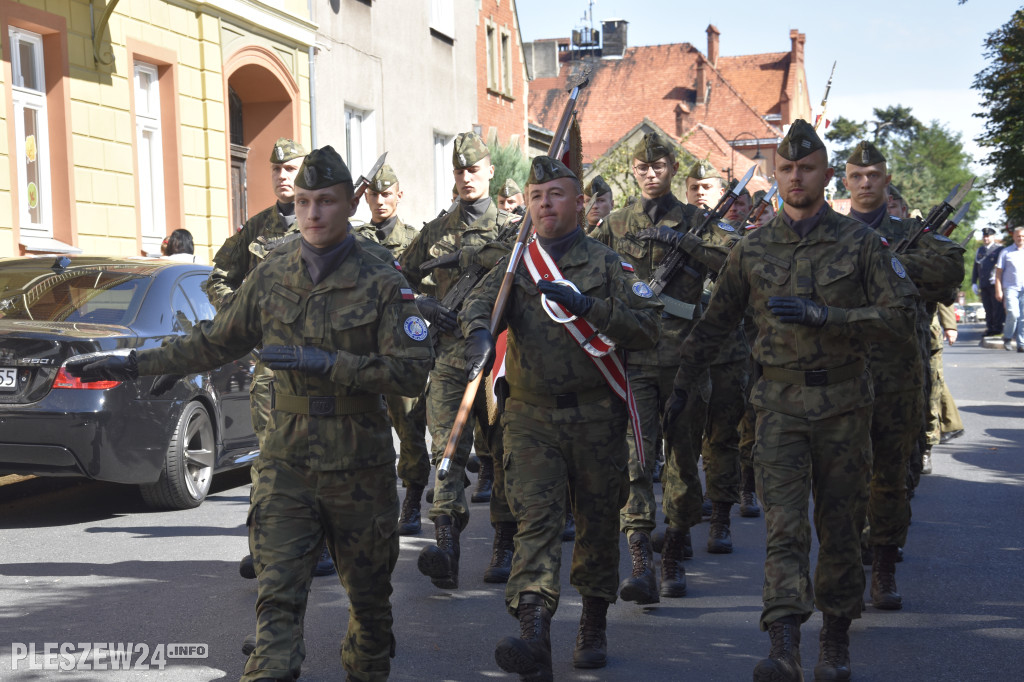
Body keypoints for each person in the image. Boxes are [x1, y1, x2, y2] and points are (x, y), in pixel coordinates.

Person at [66, 146, 434, 682]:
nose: (311, 213)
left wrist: (328, 362)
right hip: (286, 466)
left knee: (371, 611)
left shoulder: (382, 279)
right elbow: (216, 341)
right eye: (304, 201)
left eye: (325, 202)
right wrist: (133, 363)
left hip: (359, 468)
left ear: (348, 204)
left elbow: (410, 373)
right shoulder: (272, 273)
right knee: (277, 606)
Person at [667, 120, 918, 682]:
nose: (797, 177)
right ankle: (784, 646)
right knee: (784, 528)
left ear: (827, 176)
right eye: (787, 169)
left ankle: (834, 640)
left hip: (846, 407)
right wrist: (682, 385)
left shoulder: (861, 245)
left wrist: (832, 316)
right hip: (777, 407)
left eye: (807, 168)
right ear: (776, 177)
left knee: (840, 526)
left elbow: (903, 318)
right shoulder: (753, 249)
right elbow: (714, 324)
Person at [461, 155, 662, 678]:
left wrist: (587, 307)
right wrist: (480, 335)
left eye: (555, 193)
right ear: (528, 205)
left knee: (596, 523)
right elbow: (477, 309)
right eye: (536, 195)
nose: (545, 203)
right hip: (529, 418)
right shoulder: (515, 265)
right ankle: (533, 631)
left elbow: (646, 330)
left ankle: (592, 621)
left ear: (578, 202)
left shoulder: (607, 265)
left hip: (595, 416)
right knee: (537, 522)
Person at [593, 136, 731, 604]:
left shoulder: (698, 219)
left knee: (683, 461)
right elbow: (583, 266)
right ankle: (641, 562)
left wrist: (685, 242)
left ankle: (672, 551)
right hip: (632, 361)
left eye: (659, 165)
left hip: (686, 361)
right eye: (641, 166)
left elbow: (735, 262)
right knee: (635, 459)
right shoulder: (616, 223)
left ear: (674, 168)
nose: (650, 173)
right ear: (632, 170)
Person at [843, 140, 964, 610]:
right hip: (845, 369)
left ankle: (886, 564)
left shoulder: (908, 231)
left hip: (899, 370)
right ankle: (849, 558)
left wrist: (880, 260)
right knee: (845, 474)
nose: (867, 183)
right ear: (846, 180)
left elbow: (947, 271)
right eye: (858, 175)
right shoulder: (829, 231)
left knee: (891, 473)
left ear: (886, 180)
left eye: (875, 175)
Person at [399, 131, 518, 589]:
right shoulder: (435, 232)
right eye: (459, 170)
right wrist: (423, 307)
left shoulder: (513, 228)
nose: (467, 177)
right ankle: (446, 545)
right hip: (448, 361)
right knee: (445, 455)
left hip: (498, 361)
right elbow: (399, 280)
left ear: (490, 171)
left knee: (505, 454)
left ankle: (504, 545)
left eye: (474, 169)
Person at [355, 164, 433, 535]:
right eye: (374, 194)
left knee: (409, 425)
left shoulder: (416, 240)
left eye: (387, 193)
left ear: (399, 196)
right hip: (363, 347)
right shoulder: (353, 239)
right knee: (363, 426)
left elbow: (429, 289)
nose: (380, 200)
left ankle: (414, 496)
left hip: (400, 348)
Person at [994, 226, 1024, 351]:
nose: (1020, 238)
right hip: (1010, 288)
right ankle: (1007, 337)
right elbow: (998, 273)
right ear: (1013, 237)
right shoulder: (1006, 252)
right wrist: (998, 290)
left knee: (1023, 317)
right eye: (1018, 236)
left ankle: (1021, 343)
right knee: (1013, 313)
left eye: (1022, 236)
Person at [973, 227, 1006, 337]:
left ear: (993, 237)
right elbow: (976, 267)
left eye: (988, 236)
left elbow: (1002, 267)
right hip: (984, 283)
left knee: (997, 307)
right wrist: (974, 282)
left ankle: (997, 328)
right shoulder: (980, 250)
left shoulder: (999, 249)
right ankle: (990, 327)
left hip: (995, 284)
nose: (986, 238)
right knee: (987, 307)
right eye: (984, 236)